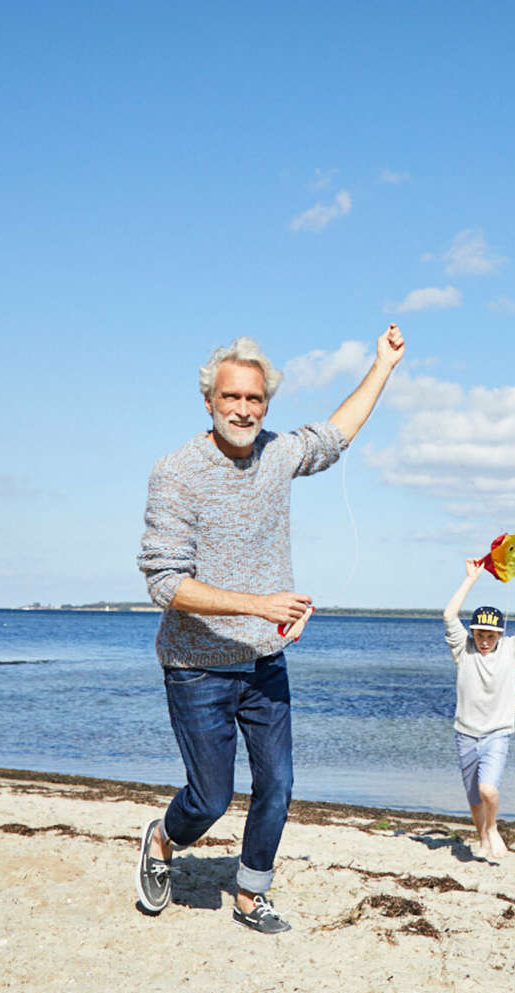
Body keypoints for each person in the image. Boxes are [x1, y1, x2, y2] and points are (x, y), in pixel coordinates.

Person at [135, 324, 405, 933]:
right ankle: (161, 839)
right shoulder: (176, 473)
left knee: (278, 784)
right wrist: (260, 605)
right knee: (207, 799)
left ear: (266, 405)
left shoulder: (279, 453)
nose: (243, 409)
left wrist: (382, 365)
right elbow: (163, 582)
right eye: (231, 397)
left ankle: (252, 890)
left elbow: (338, 434)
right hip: (196, 664)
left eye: (254, 399)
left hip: (265, 663)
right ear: (209, 401)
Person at [441, 555, 515, 859]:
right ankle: (482, 836)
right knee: (474, 800)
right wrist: (471, 578)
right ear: (474, 633)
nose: (484, 641)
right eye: (479, 635)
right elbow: (449, 615)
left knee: (488, 790)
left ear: (500, 634)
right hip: (465, 734)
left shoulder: (512, 650)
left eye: (490, 635)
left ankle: (491, 830)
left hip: (497, 735)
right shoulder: (463, 650)